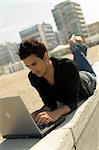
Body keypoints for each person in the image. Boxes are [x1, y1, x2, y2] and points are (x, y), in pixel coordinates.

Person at [18, 36, 97, 126]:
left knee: (83, 66)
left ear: (45, 56)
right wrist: (39, 113)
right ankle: (78, 49)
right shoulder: (33, 77)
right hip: (72, 76)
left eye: (34, 64)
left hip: (86, 80)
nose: (33, 70)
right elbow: (50, 103)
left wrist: (55, 113)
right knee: (76, 65)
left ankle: (76, 46)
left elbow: (72, 102)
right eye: (28, 66)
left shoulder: (67, 65)